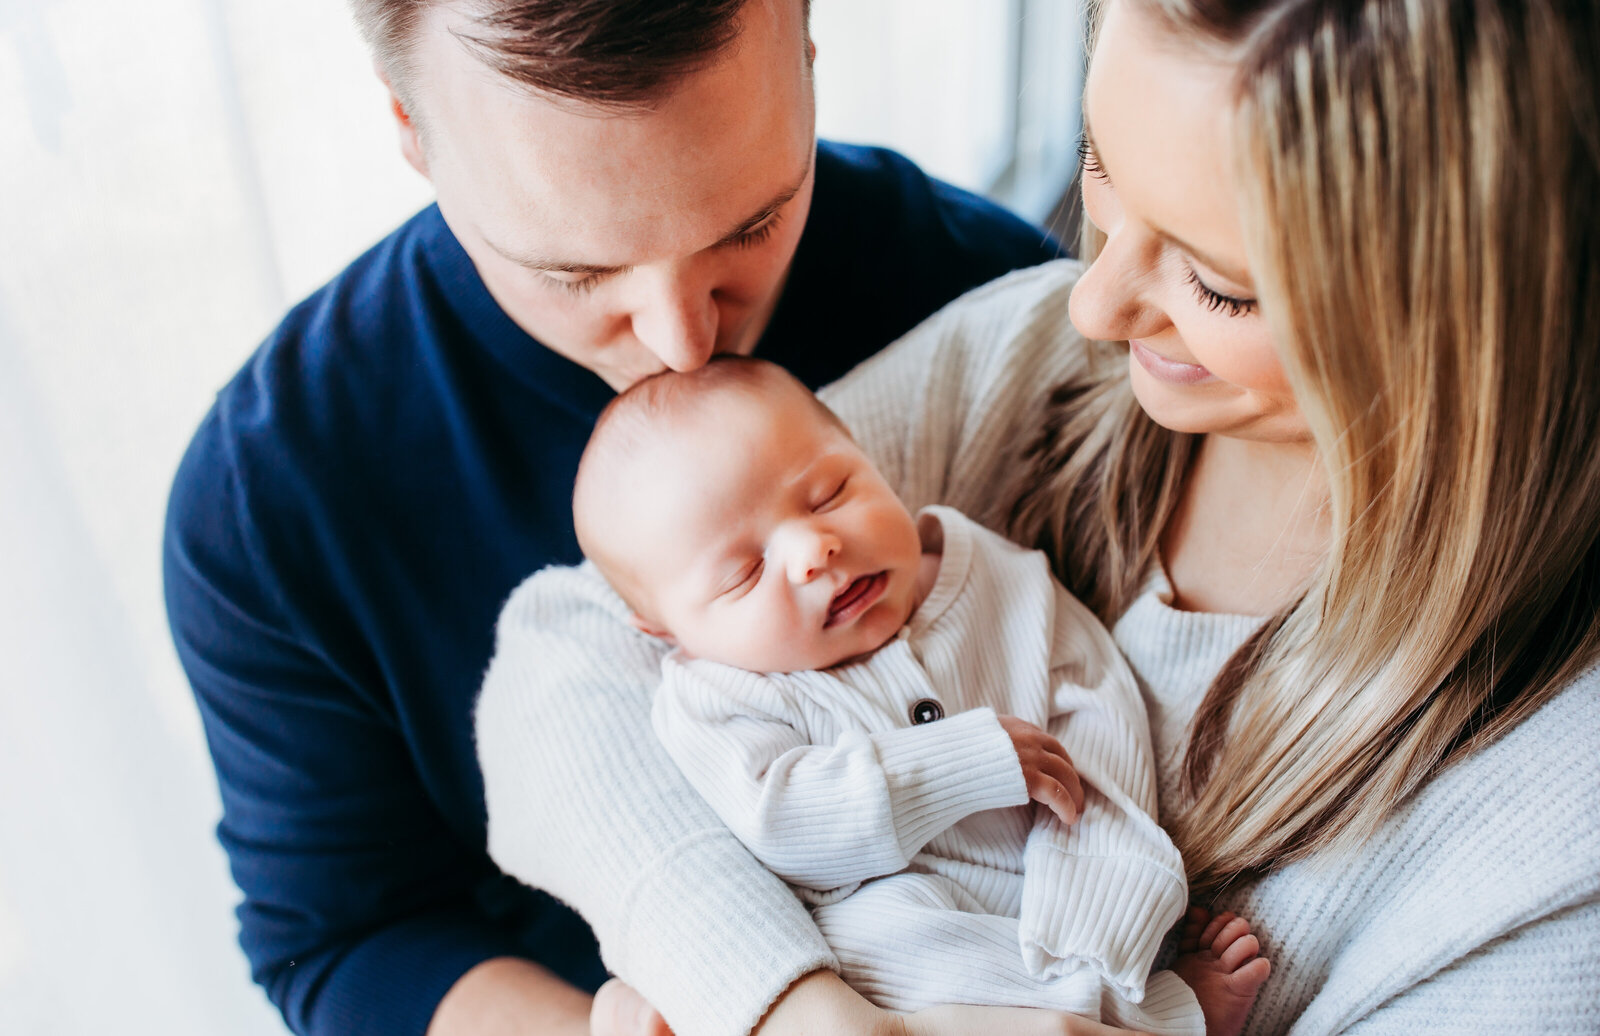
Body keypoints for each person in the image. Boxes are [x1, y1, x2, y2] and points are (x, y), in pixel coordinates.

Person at [476, 0, 1600, 1033]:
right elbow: (567, 658)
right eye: (1100, 171)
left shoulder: (1552, 824)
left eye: (1219, 283)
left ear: (1483, 308)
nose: (1092, 301)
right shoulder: (1027, 371)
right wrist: (772, 997)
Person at [160, 0, 1065, 1033]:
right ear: (410, 128)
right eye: (575, 273)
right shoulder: (274, 498)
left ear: (809, 46)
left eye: (751, 223)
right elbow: (352, 938)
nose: (683, 344)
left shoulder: (993, 301)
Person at [553, 355, 1273, 1035]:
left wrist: (1097, 894)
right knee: (873, 938)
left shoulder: (992, 577)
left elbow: (1095, 701)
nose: (814, 551)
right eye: (744, 573)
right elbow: (782, 820)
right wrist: (959, 762)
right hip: (893, 918)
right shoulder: (716, 696)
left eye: (831, 493)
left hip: (1060, 874)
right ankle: (1162, 1016)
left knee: (1123, 849)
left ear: (870, 458)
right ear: (666, 630)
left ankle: (1120, 989)